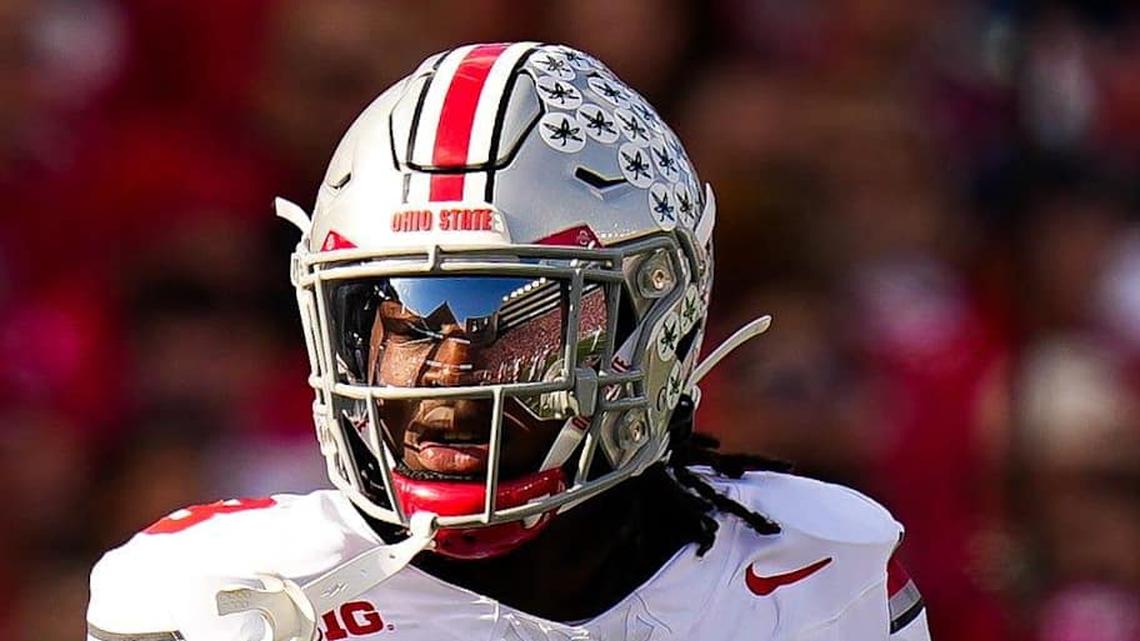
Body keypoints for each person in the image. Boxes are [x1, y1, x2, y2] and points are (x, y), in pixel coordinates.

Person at [86, 43, 931, 641]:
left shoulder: (814, 575)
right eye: (405, 318)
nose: (446, 380)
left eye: (502, 321)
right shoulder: (226, 598)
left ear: (648, 326)